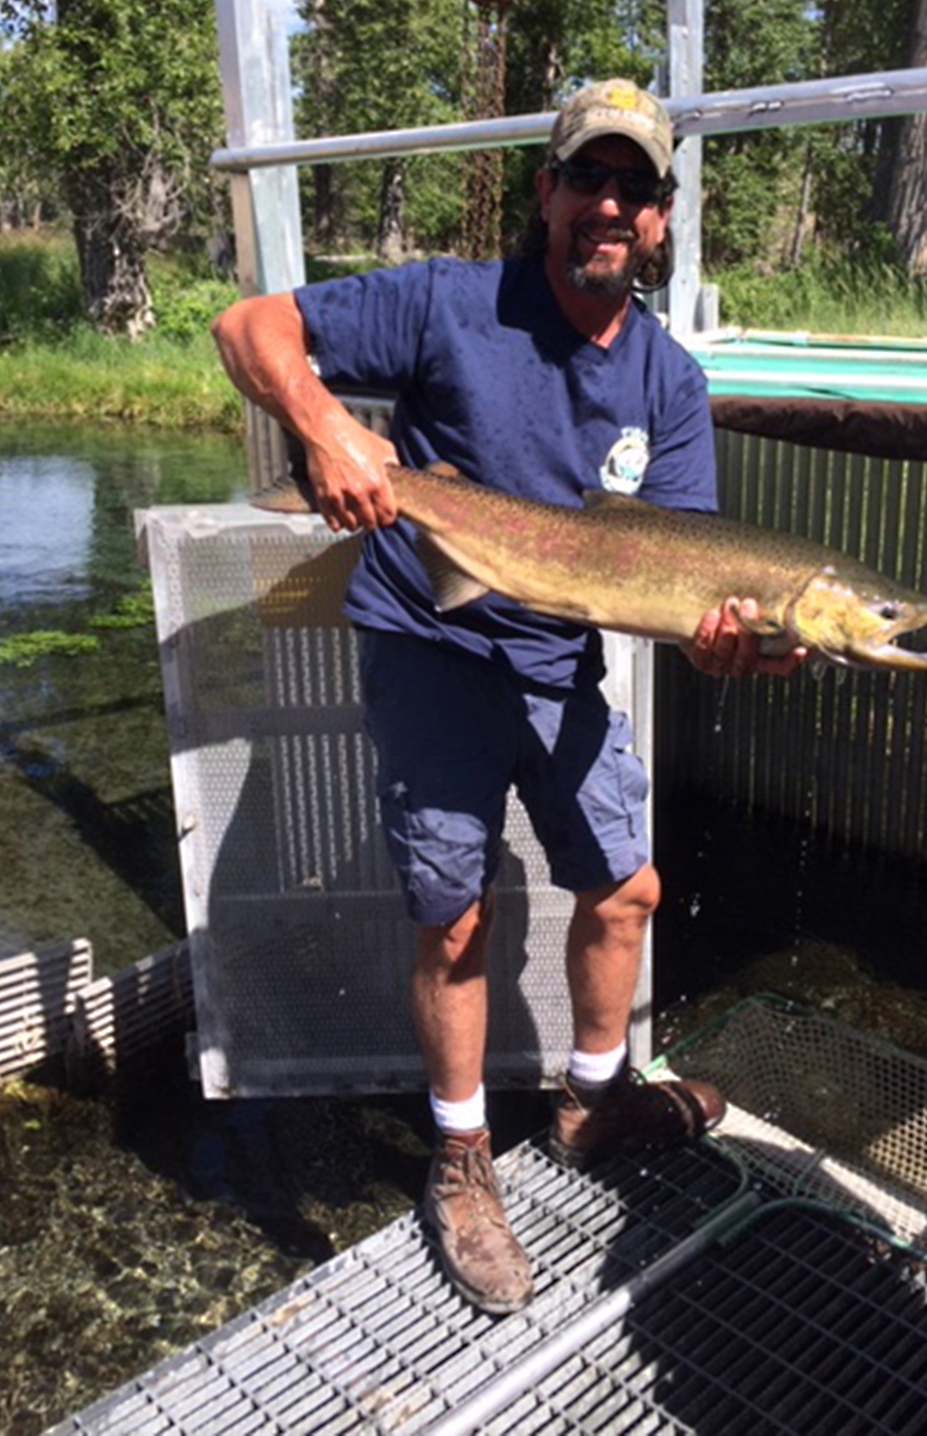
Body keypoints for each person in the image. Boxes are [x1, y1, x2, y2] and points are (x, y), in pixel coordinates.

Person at [212, 77, 803, 1316]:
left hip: (557, 657)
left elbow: (674, 574)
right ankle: (461, 1151)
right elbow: (247, 325)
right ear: (546, 192)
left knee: (627, 887)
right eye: (589, 177)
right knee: (456, 916)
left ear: (663, 217)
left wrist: (723, 643)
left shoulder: (668, 380)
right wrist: (326, 428)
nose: (610, 204)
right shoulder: (448, 303)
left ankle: (593, 1102)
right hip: (433, 643)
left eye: (636, 187)